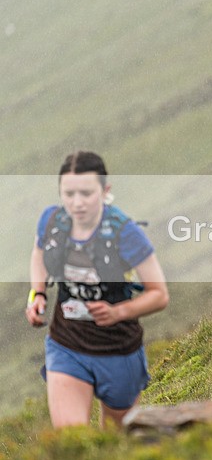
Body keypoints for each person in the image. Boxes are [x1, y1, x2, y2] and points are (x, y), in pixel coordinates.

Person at [24, 151, 169, 428]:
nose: (76, 203)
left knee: (116, 440)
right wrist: (38, 293)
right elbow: (38, 253)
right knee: (71, 438)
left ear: (105, 190)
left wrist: (118, 312)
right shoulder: (52, 221)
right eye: (68, 194)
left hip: (118, 350)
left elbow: (159, 294)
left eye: (86, 193)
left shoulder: (125, 233)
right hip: (67, 345)